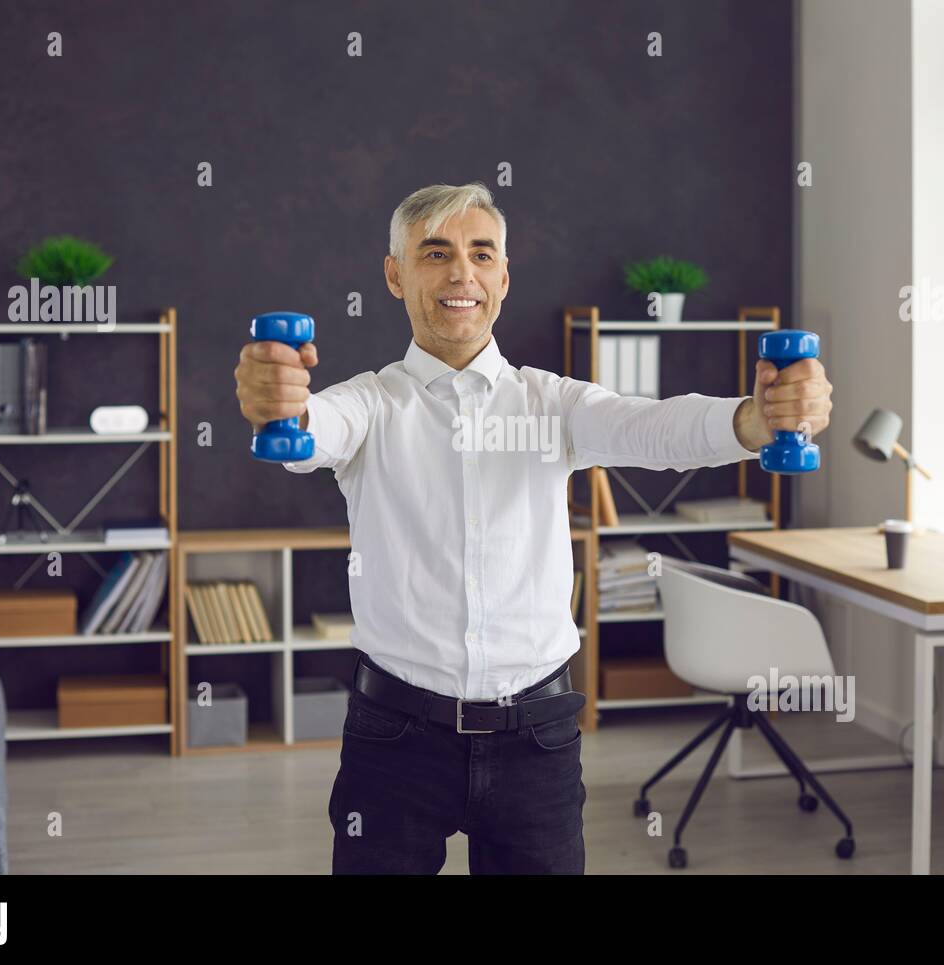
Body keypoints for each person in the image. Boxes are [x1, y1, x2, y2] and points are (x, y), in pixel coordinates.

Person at [233, 182, 833, 874]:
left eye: (481, 253)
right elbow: (312, 428)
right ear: (396, 275)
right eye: (436, 253)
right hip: (394, 739)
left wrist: (756, 421)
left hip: (536, 742)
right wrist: (280, 405)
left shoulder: (554, 403)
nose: (462, 272)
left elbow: (655, 427)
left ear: (503, 277)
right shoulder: (369, 404)